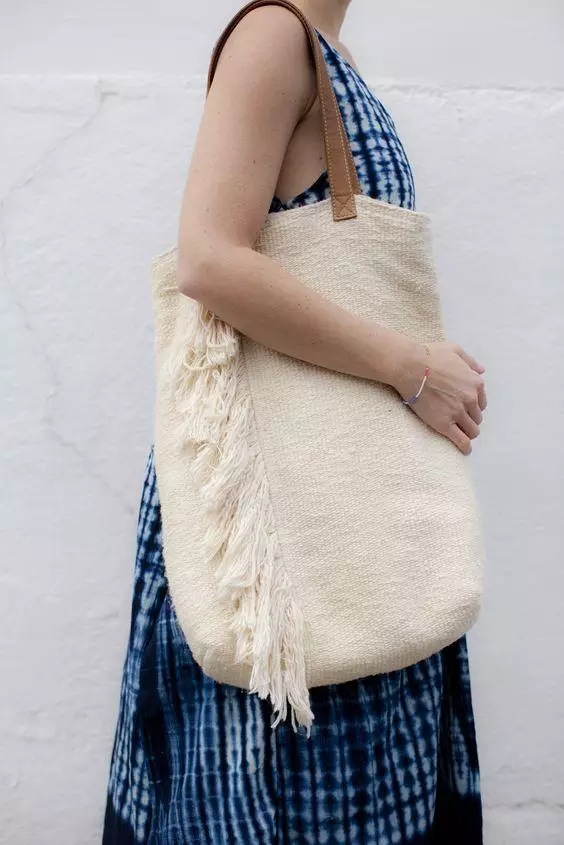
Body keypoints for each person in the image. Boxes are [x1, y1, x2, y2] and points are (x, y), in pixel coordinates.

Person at [103, 1, 487, 842]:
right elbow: (210, 258)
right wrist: (412, 367)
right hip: (292, 527)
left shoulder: (327, 50)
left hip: (345, 523)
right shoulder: (274, 34)